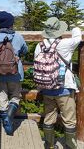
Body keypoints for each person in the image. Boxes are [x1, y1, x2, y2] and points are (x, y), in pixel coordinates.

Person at [34, 17, 82, 149]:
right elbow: (78, 36)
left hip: (46, 88)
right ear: (59, 30)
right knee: (69, 120)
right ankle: (70, 146)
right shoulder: (65, 44)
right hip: (64, 89)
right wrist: (76, 26)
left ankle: (49, 145)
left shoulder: (40, 46)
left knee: (49, 117)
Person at [0, 11, 28, 135]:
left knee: (2, 96)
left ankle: (6, 119)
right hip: (15, 73)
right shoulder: (18, 36)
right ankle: (8, 118)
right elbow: (25, 50)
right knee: (16, 96)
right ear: (11, 24)